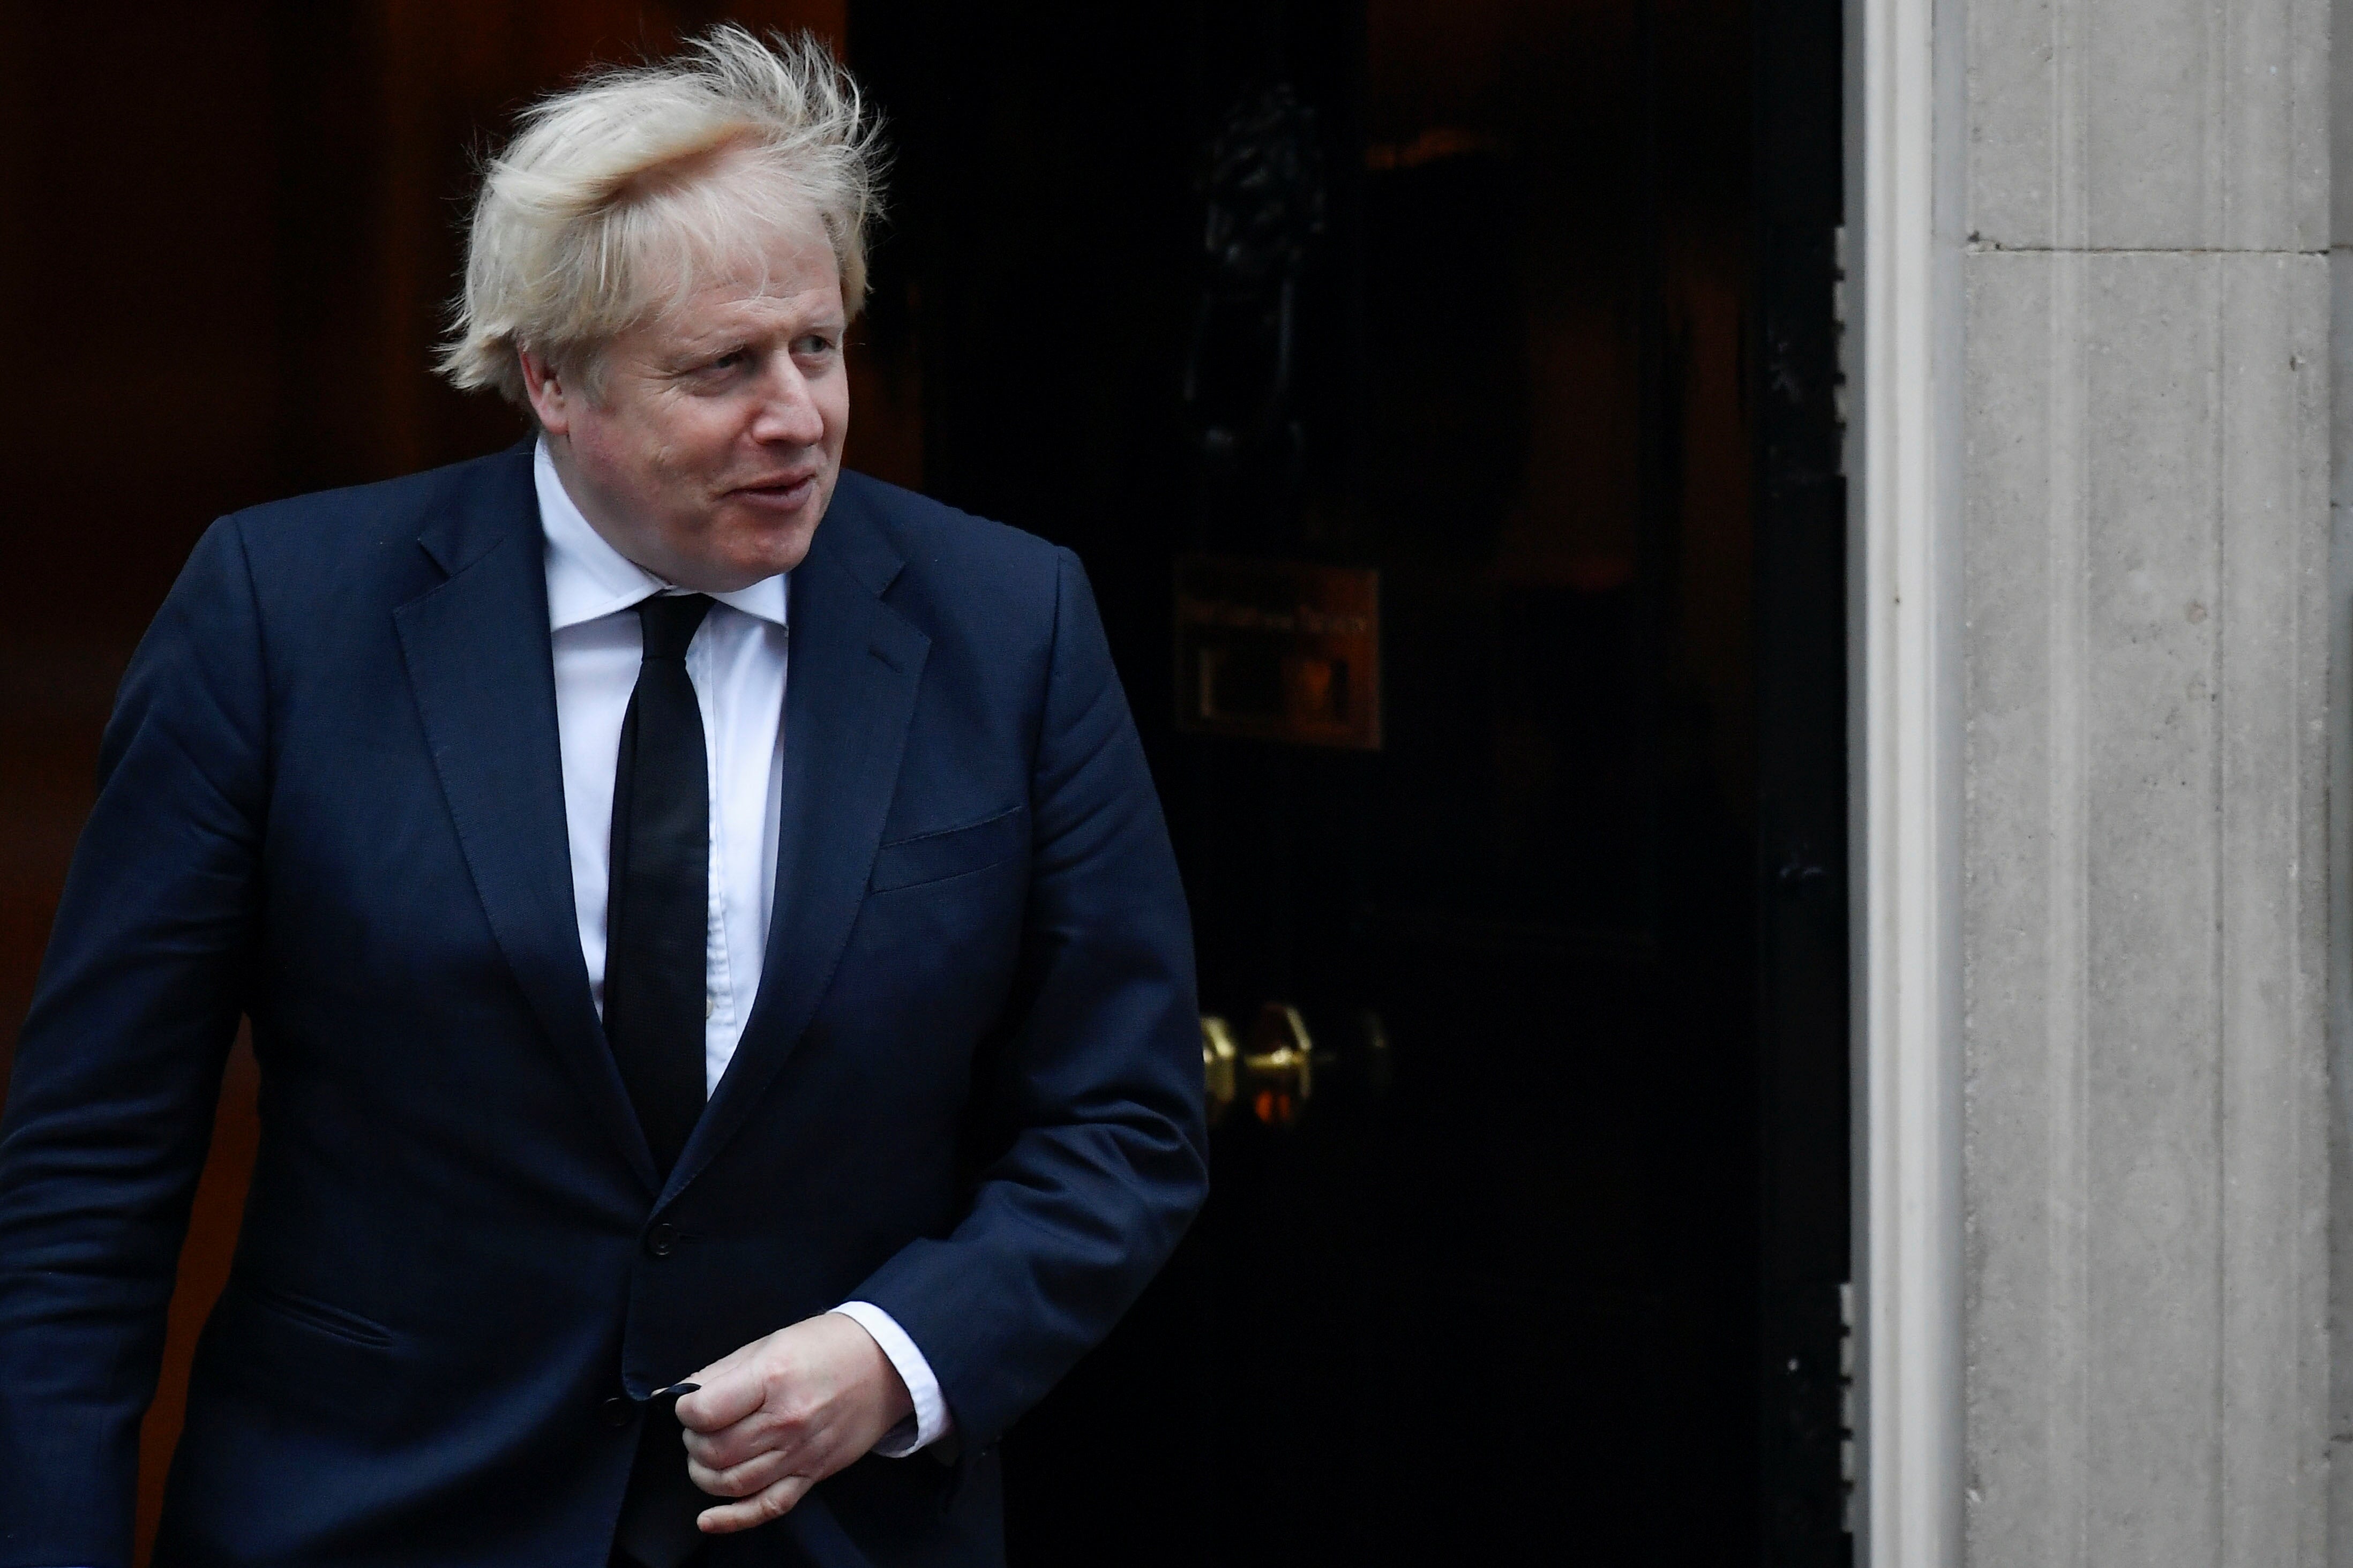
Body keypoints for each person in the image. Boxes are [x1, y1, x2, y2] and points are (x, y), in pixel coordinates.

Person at [0, 26, 1204, 1568]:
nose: (798, 419)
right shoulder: (281, 619)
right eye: (722, 368)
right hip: (370, 1515)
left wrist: (896, 1354)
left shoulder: (1010, 625)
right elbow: (92, 1172)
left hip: (827, 1535)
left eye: (819, 348)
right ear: (548, 378)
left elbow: (1126, 1116)